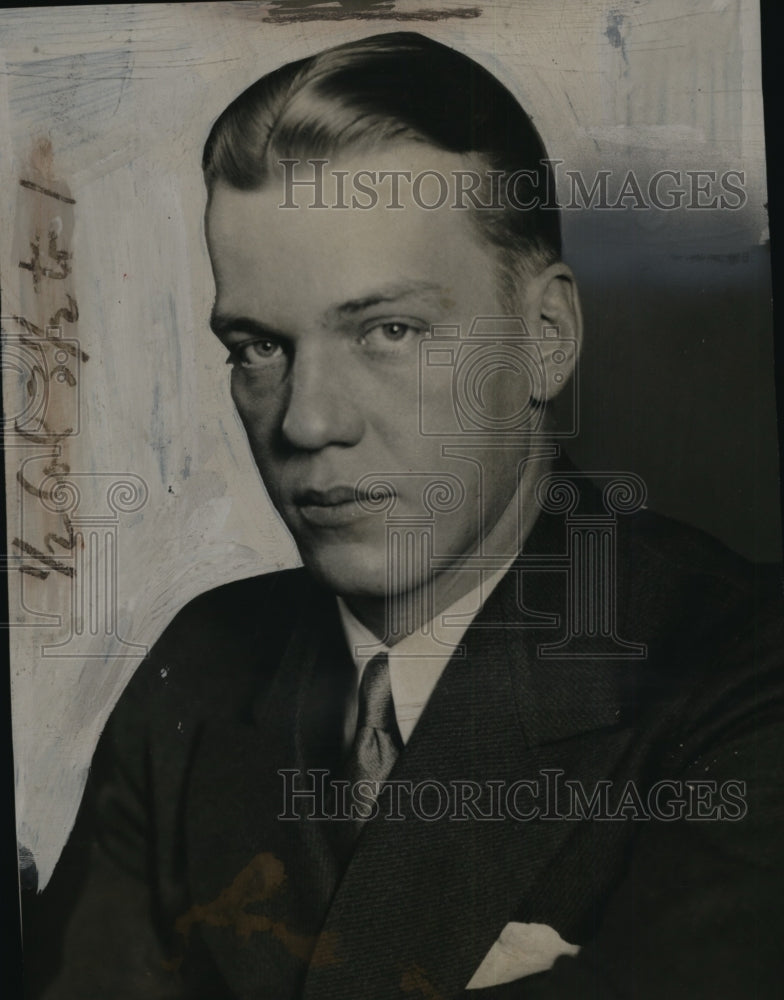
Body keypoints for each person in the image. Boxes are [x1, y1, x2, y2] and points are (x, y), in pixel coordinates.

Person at [26, 31, 783, 999]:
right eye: (258, 347)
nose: (306, 420)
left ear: (544, 338)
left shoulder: (744, 669)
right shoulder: (200, 675)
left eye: (387, 330)